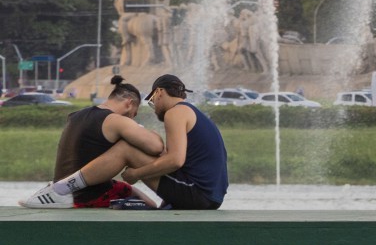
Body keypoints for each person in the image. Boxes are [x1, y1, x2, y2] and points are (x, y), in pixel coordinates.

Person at [18, 74, 229, 210]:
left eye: (152, 101)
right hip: (209, 195)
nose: (153, 107)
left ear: (160, 92)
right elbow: (174, 160)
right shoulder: (193, 112)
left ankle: (60, 190)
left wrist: (136, 174)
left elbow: (175, 160)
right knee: (152, 173)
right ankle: (61, 190)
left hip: (198, 194)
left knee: (127, 148)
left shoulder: (175, 112)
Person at [18, 76, 164, 208]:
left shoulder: (76, 115)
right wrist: (151, 133)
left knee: (137, 194)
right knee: (150, 207)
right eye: (134, 113)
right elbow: (155, 147)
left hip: (71, 187)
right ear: (129, 103)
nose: (132, 118)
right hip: (87, 195)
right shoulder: (115, 120)